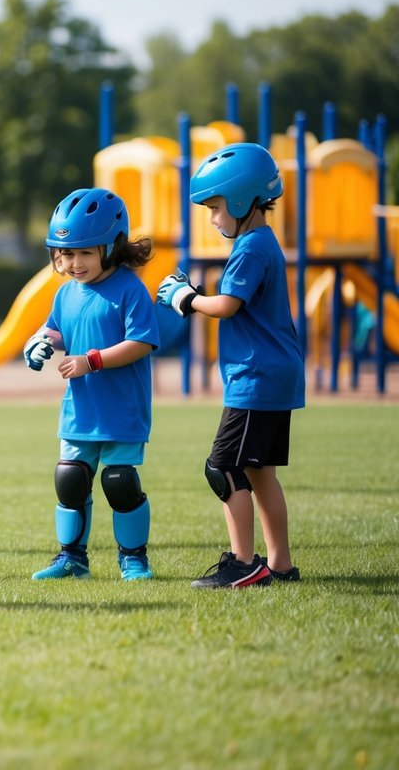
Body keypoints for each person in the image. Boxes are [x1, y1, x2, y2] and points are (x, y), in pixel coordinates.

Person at [157, 142, 304, 588]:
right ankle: (279, 564)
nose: (212, 217)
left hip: (255, 376)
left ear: (243, 201)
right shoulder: (263, 241)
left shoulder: (250, 248)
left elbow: (229, 305)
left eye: (216, 206)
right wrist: (197, 295)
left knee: (223, 468)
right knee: (260, 473)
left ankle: (243, 564)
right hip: (276, 372)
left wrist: (185, 298)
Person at [24, 188, 160, 583]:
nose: (74, 262)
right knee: (70, 480)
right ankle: (72, 559)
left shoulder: (130, 289)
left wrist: (92, 360)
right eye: (65, 254)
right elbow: (55, 329)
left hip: (121, 409)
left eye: (85, 252)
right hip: (80, 410)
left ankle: (134, 559)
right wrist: (39, 343)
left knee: (119, 483)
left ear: (112, 246)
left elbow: (140, 343)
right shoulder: (66, 293)